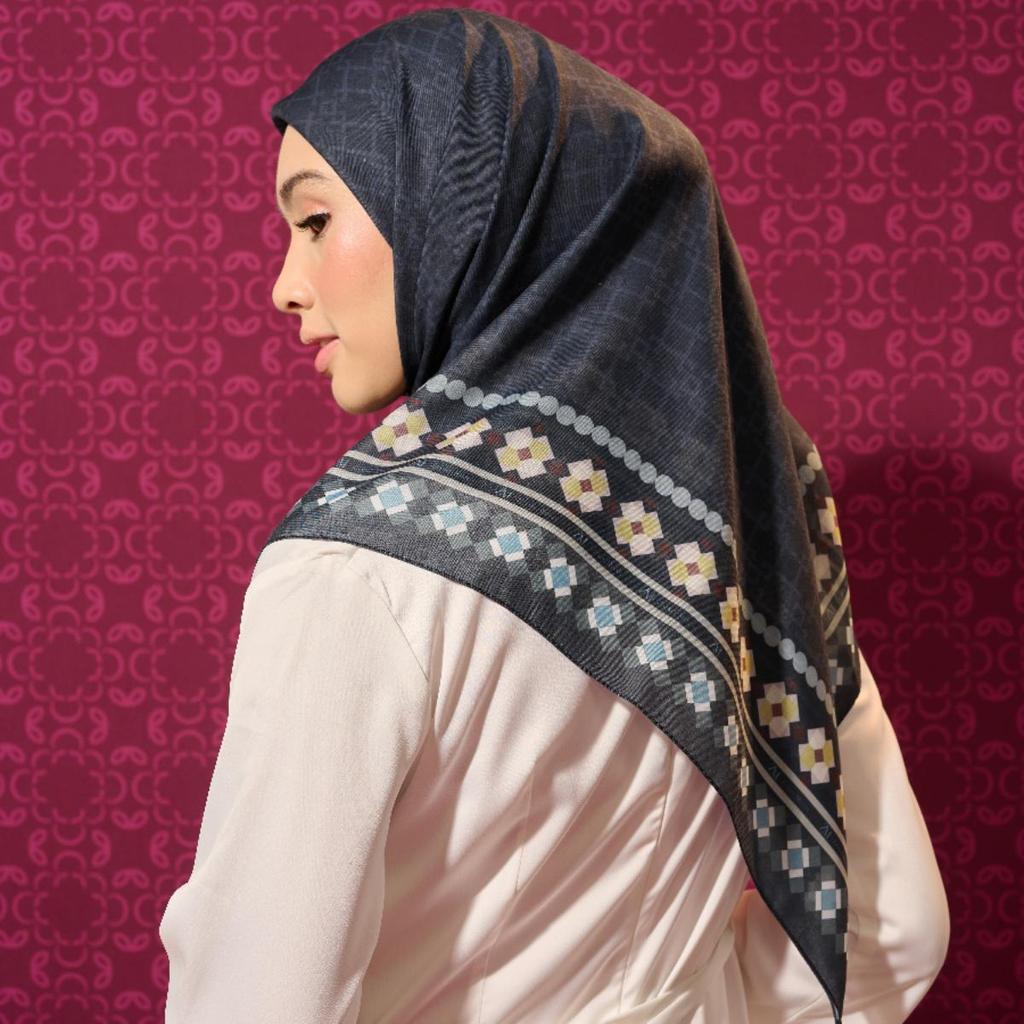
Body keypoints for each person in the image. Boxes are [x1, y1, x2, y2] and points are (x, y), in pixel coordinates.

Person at [158, 8, 950, 1022]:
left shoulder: (356, 574)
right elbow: (896, 928)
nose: (284, 286)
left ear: (461, 207)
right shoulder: (744, 535)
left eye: (314, 221)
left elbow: (256, 999)